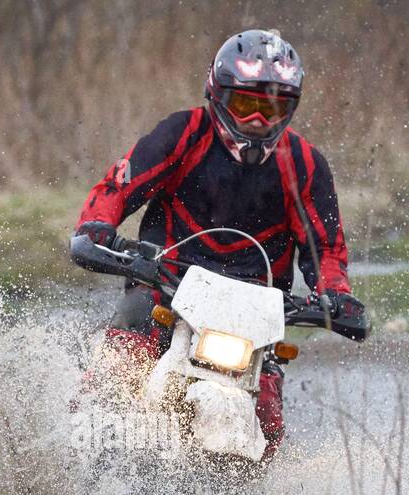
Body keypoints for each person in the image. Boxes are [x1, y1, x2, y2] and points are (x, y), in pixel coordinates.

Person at [73, 29, 363, 459]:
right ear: (219, 95)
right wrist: (96, 226)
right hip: (164, 283)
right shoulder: (184, 132)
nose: (258, 121)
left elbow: (326, 249)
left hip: (255, 308)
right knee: (117, 369)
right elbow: (120, 184)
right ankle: (75, 461)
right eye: (247, 105)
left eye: (273, 108)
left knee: (266, 414)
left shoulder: (304, 163)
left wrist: (336, 296)